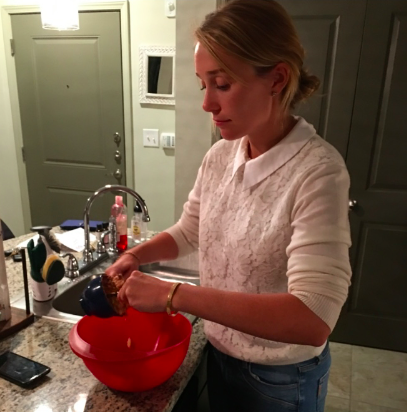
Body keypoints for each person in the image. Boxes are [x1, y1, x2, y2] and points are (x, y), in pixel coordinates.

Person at [106, 0, 352, 410]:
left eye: (222, 84)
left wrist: (174, 295)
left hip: (280, 379)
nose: (207, 104)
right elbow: (189, 231)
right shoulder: (220, 156)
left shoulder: (318, 172)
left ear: (277, 79)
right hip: (219, 355)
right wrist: (136, 255)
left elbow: (313, 317)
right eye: (203, 85)